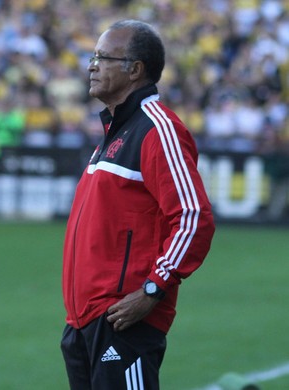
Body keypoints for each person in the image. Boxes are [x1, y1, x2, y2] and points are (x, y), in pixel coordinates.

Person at [61, 20, 215, 389]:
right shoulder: (115, 133)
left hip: (122, 321)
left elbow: (193, 217)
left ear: (134, 69)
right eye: (92, 57)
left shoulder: (158, 129)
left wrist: (153, 289)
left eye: (103, 57)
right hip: (84, 321)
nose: (92, 65)